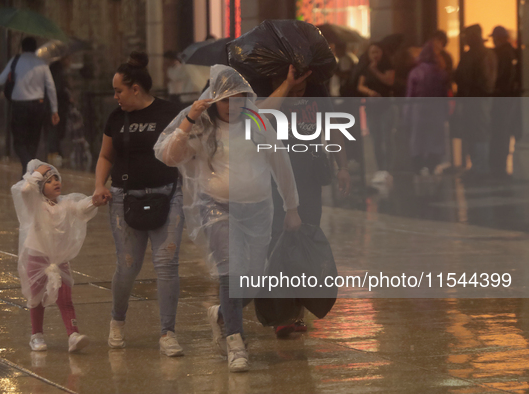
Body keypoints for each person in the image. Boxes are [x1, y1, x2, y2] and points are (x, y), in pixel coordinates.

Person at [154, 65, 301, 372]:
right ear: (213, 101)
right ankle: (236, 340)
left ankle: (223, 314)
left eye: (238, 99)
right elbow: (169, 156)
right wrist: (188, 120)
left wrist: (292, 207)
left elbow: (280, 162)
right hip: (216, 207)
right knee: (231, 272)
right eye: (225, 100)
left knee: (254, 279)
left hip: (258, 209)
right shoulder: (202, 127)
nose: (232, 106)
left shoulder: (257, 123)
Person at [92, 52, 185, 356]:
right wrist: (99, 186)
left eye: (119, 90)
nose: (115, 96)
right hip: (124, 198)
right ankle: (117, 320)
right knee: (128, 267)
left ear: (135, 88)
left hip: (168, 194)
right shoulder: (116, 118)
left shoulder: (169, 113)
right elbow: (106, 156)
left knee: (167, 265)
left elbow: (188, 148)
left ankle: (168, 332)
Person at [259, 65, 350, 337]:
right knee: (279, 240)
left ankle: (296, 311)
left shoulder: (317, 98)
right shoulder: (271, 98)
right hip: (275, 182)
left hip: (309, 180)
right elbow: (256, 119)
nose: (299, 90)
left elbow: (334, 129)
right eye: (293, 84)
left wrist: (342, 166)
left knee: (305, 239)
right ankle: (282, 312)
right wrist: (285, 88)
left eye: (302, 86)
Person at [11, 159, 99, 352]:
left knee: (65, 297)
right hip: (36, 256)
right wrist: (36, 173)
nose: (55, 182)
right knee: (36, 298)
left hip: (59, 259)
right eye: (49, 181)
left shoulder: (65, 204)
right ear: (41, 187)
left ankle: (73, 334)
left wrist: (94, 200)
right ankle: (36, 335)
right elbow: (26, 191)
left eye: (56, 179)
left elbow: (81, 208)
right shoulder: (35, 206)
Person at [0, 37, 60, 175]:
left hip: (19, 107)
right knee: (33, 142)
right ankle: (26, 175)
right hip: (38, 106)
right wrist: (54, 110)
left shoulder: (16, 60)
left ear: (22, 47)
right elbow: (50, 87)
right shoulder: (42, 63)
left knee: (19, 142)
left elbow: (0, 79)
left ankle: (28, 167)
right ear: (35, 48)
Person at [454, 24, 497, 180]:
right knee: (472, 132)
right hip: (471, 98)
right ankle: (476, 166)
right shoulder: (471, 54)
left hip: (478, 99)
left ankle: (481, 167)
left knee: (480, 132)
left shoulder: (483, 54)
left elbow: (486, 80)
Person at [405, 41, 450, 176]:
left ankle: (418, 167)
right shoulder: (441, 73)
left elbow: (410, 95)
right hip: (436, 110)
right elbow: (445, 94)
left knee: (418, 139)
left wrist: (406, 114)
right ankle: (432, 166)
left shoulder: (415, 72)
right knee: (435, 139)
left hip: (418, 110)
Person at [357, 43, 395, 184]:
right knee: (376, 138)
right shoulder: (365, 68)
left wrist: (376, 71)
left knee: (387, 137)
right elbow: (360, 85)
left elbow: (389, 81)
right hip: (372, 108)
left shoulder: (387, 66)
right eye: (372, 52)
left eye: (377, 52)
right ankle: (380, 169)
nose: (375, 55)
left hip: (386, 106)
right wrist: (369, 92)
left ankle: (388, 169)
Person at [489, 26, 519, 178]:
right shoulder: (512, 52)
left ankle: (498, 166)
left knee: (500, 131)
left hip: (502, 98)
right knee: (503, 131)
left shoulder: (502, 54)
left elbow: (501, 76)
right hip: (508, 98)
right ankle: (499, 165)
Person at [46, 56, 73, 167]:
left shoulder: (58, 70)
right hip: (58, 106)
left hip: (57, 105)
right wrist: (67, 95)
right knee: (56, 129)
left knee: (56, 129)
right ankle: (55, 152)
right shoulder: (57, 71)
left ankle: (55, 152)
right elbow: (58, 88)